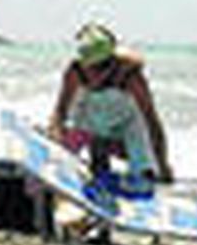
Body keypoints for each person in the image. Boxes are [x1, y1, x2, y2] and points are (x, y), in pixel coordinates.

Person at [47, 23, 173, 193]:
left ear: (112, 61)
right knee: (74, 154)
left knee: (143, 167)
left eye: (103, 67)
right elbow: (60, 111)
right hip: (88, 121)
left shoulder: (129, 76)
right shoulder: (75, 72)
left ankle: (141, 177)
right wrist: (55, 135)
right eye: (92, 67)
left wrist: (162, 165)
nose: (96, 74)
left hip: (125, 125)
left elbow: (151, 120)